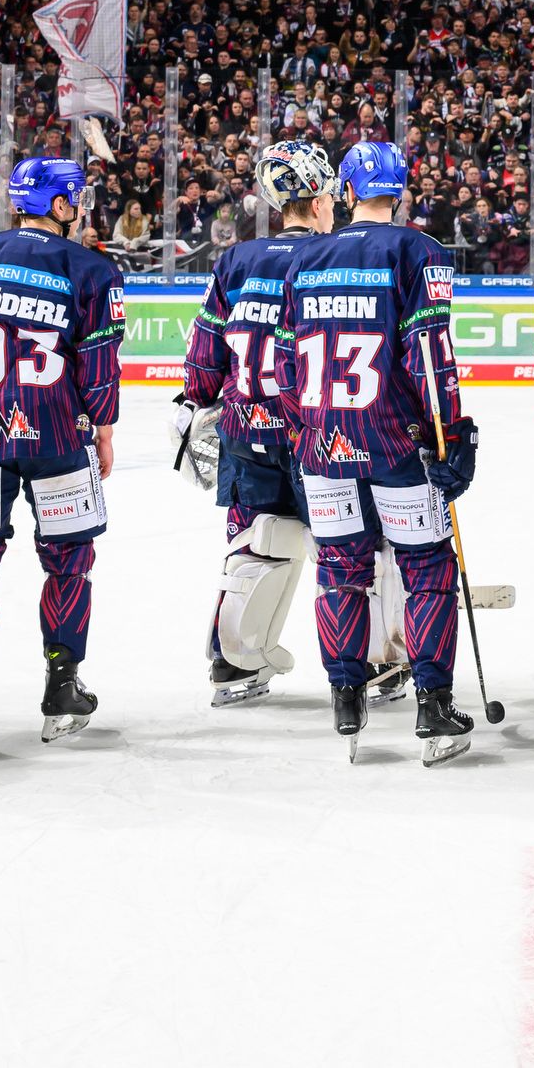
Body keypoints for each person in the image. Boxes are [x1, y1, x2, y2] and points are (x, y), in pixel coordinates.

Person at [274, 137, 477, 763]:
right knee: (426, 568)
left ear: (346, 191)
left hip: (323, 442)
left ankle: (345, 693)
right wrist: (450, 433)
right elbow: (430, 355)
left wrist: (305, 427)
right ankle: (433, 702)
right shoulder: (420, 250)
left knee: (339, 567)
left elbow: (284, 362)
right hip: (395, 444)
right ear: (402, 191)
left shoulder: (306, 258)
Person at [0, 155, 128, 751]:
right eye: (76, 199)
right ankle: (62, 688)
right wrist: (104, 429)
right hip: (59, 437)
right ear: (59, 205)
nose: (80, 209)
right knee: (69, 563)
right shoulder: (92, 269)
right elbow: (99, 367)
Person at [175, 139, 334, 708]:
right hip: (320, 431)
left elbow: (205, 347)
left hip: (246, 426)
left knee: (252, 543)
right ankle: (373, 663)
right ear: (319, 201)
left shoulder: (237, 260)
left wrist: (194, 401)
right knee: (353, 547)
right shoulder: (335, 256)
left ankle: (232, 663)